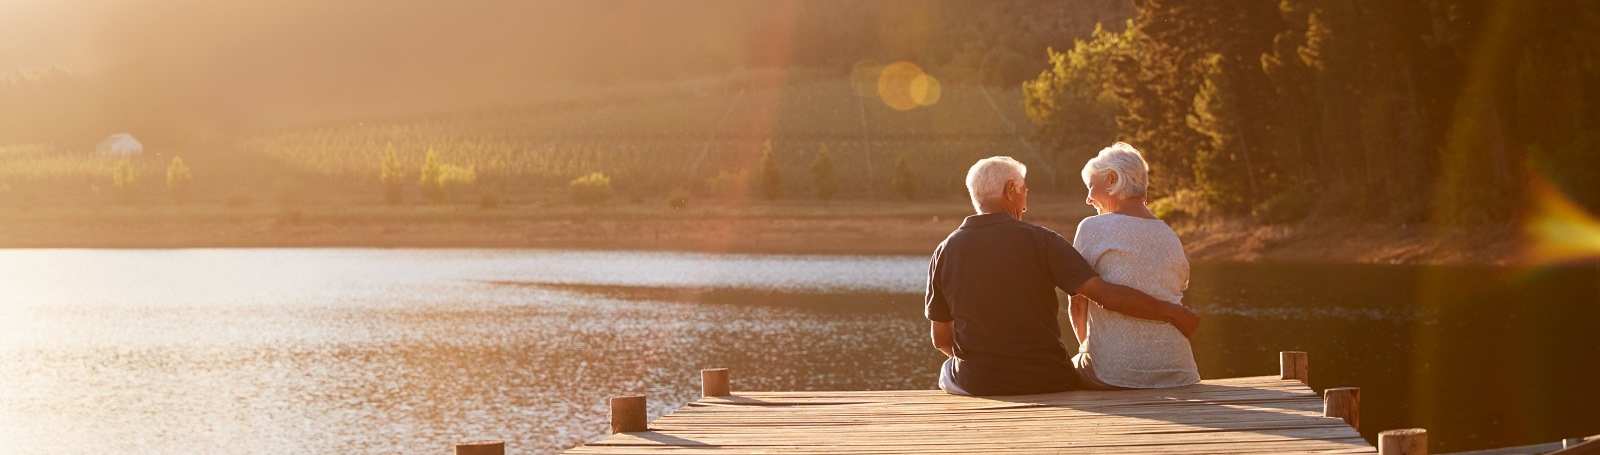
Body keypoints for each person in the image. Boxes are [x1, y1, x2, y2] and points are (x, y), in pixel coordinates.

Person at [926, 156, 1199, 396]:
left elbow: (941, 339)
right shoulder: (1044, 241)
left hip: (978, 381)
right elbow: (1104, 294)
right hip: (1047, 378)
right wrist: (1171, 312)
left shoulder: (944, 251)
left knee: (946, 371)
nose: (1026, 204)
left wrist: (983, 366)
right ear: (1011, 190)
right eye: (1024, 192)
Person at [1069, 142, 1200, 389]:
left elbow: (1077, 302)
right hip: (1179, 372)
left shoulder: (1092, 227)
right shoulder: (1169, 234)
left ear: (1111, 179)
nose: (1088, 198)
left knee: (1071, 364)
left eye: (1090, 187)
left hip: (1117, 375)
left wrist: (1086, 348)